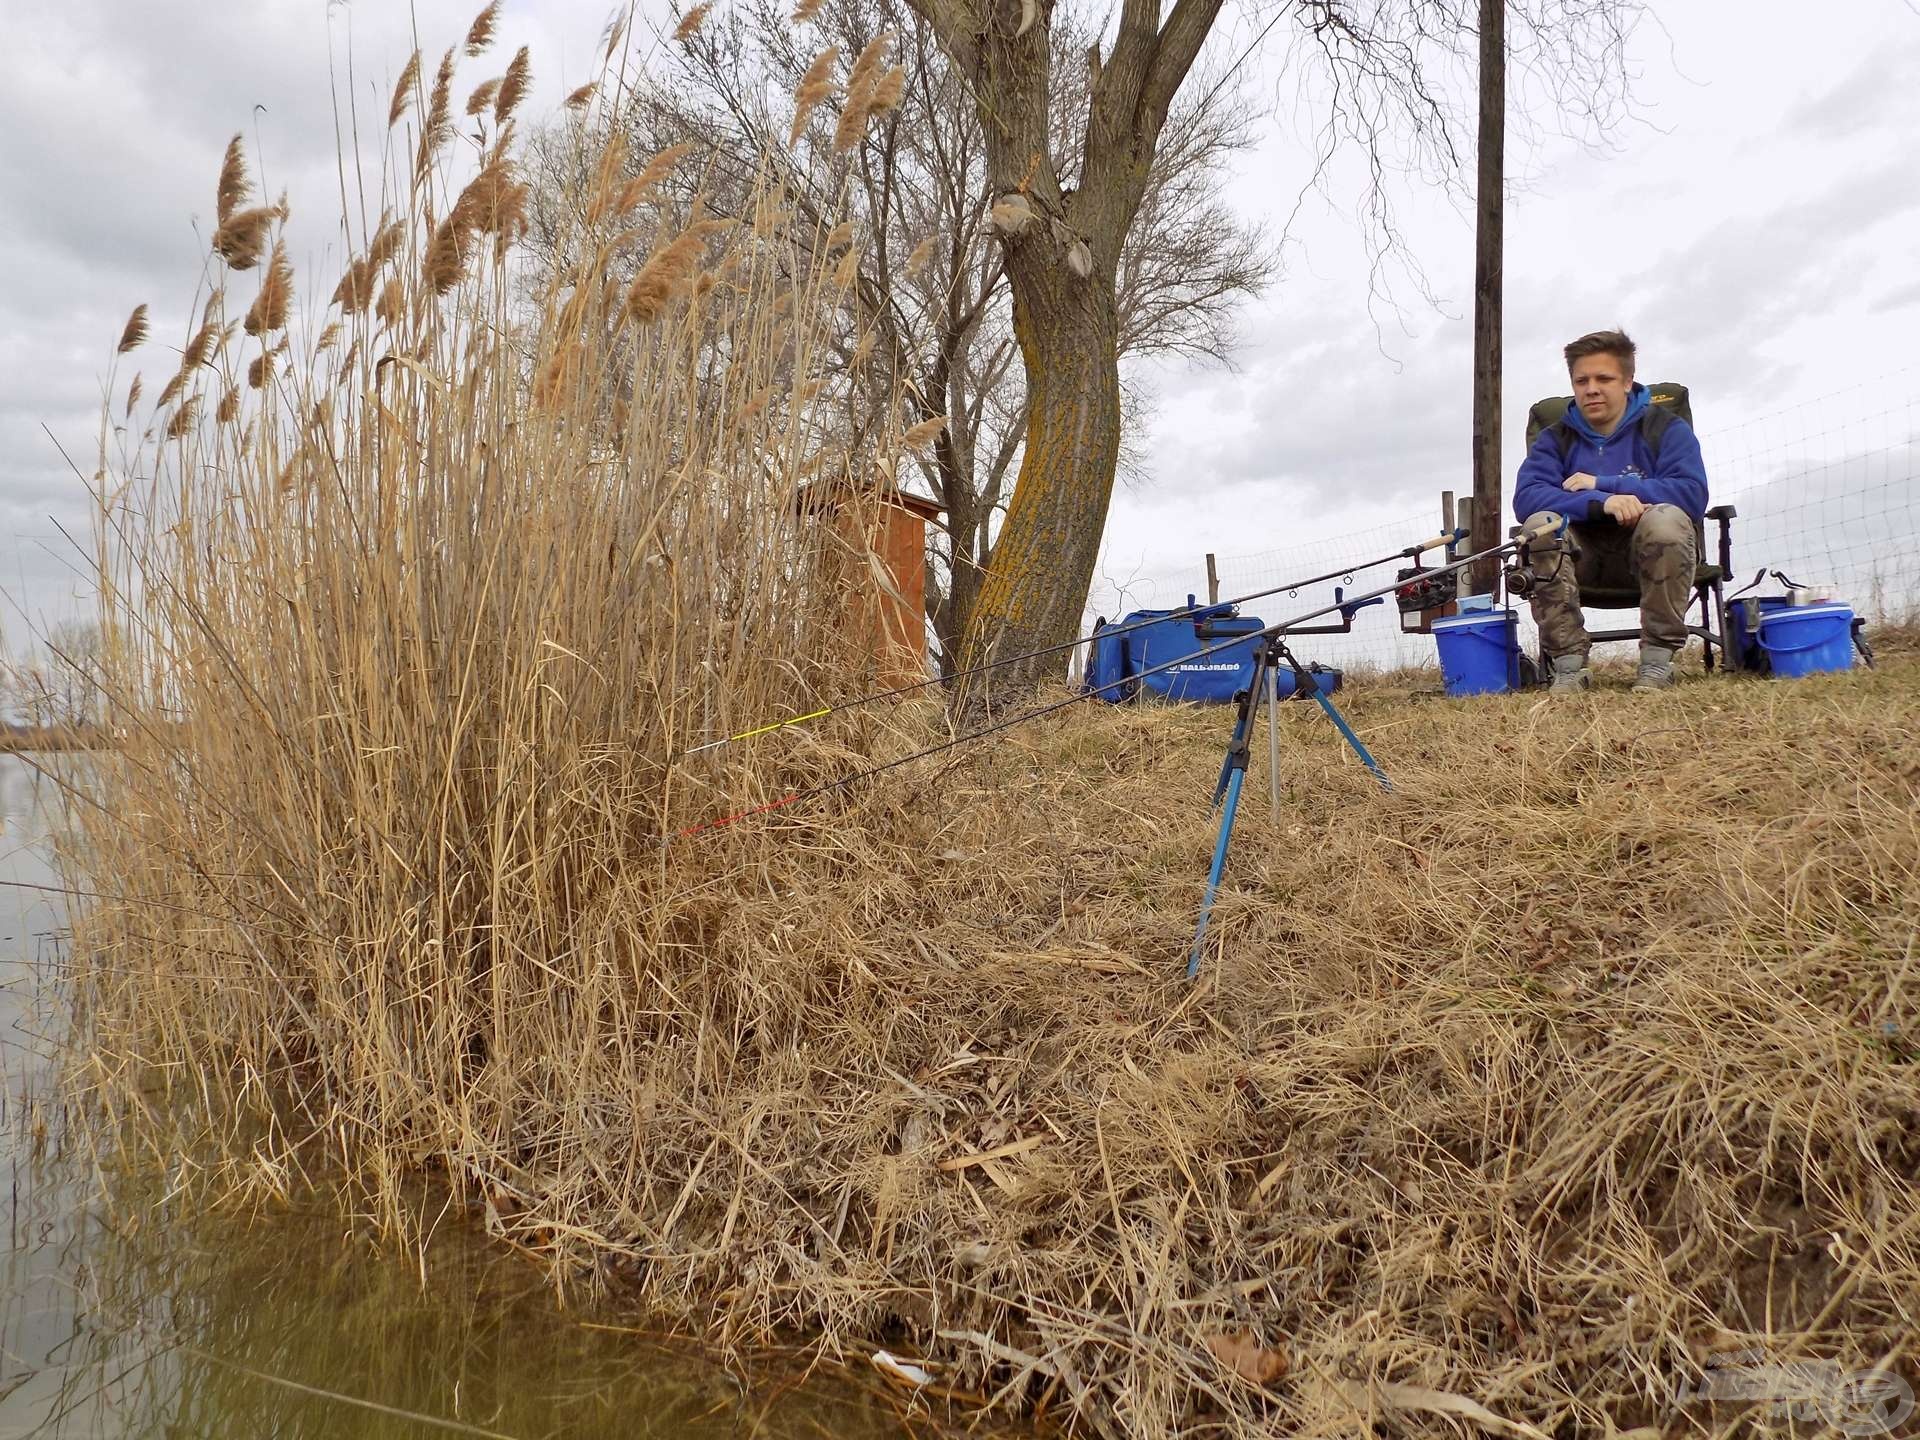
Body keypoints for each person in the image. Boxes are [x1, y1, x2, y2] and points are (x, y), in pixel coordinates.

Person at [1513, 329, 1709, 693]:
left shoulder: (1666, 428)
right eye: (1581, 380)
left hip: (1649, 556)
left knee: (1666, 519)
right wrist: (1599, 503)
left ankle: (1657, 663)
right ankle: (1570, 667)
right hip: (1581, 557)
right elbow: (1527, 498)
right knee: (1540, 525)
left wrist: (1608, 484)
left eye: (1604, 379)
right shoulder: (1554, 439)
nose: (1591, 389)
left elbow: (1692, 494)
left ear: (1627, 381)